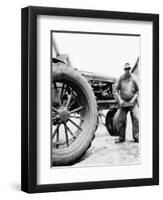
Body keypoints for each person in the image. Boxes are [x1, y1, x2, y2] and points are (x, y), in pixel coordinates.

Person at [114, 62, 139, 143]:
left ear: (130, 69)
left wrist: (133, 99)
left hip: (133, 103)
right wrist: (120, 100)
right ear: (124, 70)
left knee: (136, 118)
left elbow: (138, 91)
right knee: (121, 120)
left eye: (128, 69)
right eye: (126, 69)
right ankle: (121, 137)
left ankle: (136, 137)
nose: (127, 70)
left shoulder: (134, 78)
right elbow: (115, 90)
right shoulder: (121, 78)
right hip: (123, 103)